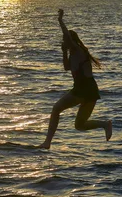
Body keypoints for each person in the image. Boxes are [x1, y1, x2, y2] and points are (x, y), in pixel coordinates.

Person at [39, 9, 112, 149]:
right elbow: (66, 67)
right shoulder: (73, 54)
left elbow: (66, 34)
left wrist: (60, 20)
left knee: (56, 109)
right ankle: (104, 124)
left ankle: (47, 142)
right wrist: (63, 52)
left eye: (65, 40)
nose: (63, 41)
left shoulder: (78, 50)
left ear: (70, 40)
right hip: (89, 90)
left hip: (84, 89)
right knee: (79, 125)